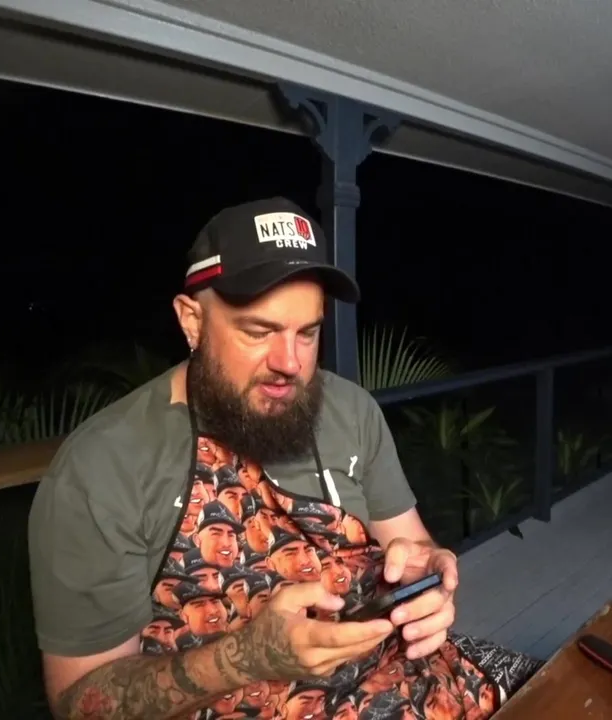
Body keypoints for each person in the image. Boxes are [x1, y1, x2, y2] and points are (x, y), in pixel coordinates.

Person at [28, 197, 541, 719]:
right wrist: (247, 657)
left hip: (425, 681)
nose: (289, 363)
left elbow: (412, 545)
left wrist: (428, 577)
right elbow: (80, 704)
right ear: (191, 321)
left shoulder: (351, 410)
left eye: (308, 333)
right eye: (259, 332)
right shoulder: (103, 467)